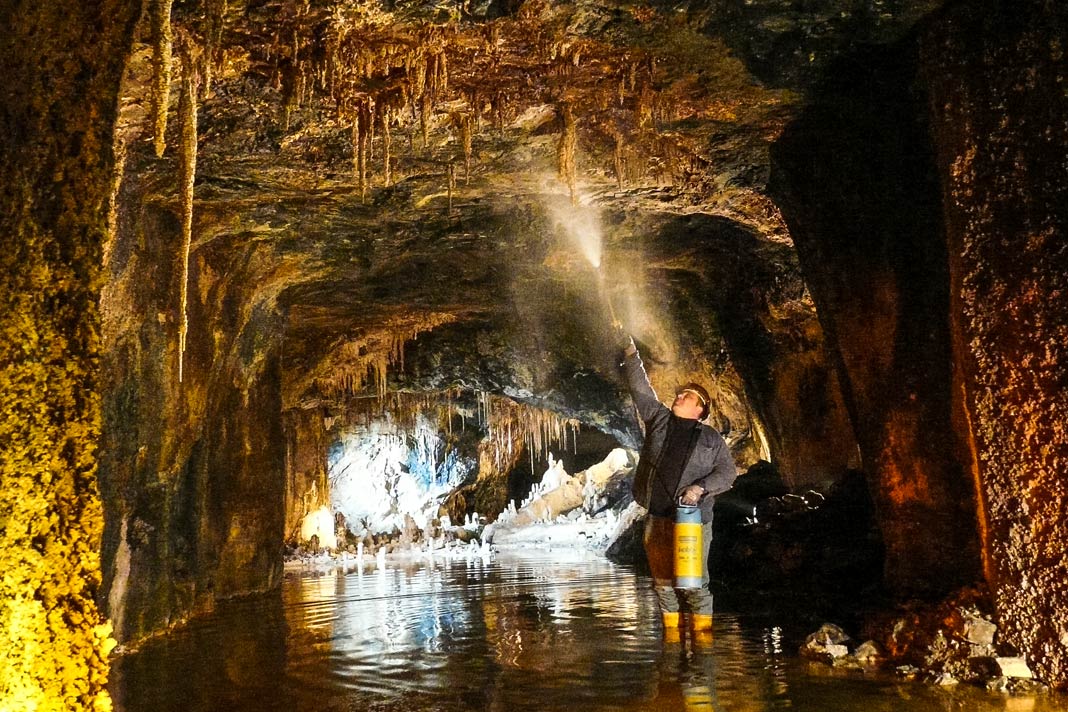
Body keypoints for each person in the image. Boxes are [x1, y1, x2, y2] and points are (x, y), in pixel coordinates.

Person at [619, 333, 738, 634]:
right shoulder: (659, 419)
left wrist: (700, 487)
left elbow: (728, 474)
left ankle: (702, 643)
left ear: (700, 410)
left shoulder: (711, 439)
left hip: (691, 523)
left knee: (694, 584)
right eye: (681, 393)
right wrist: (631, 355)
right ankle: (672, 643)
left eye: (689, 397)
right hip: (657, 519)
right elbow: (641, 390)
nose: (680, 396)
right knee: (663, 585)